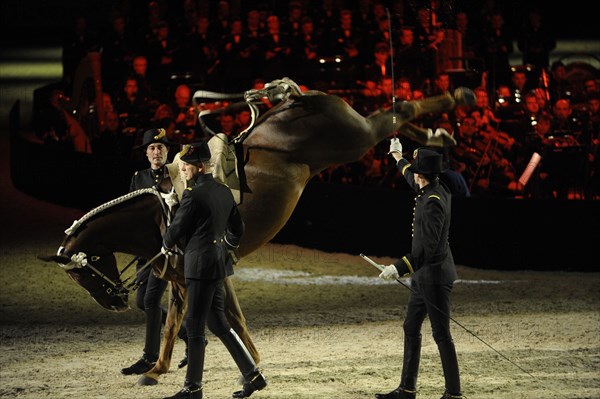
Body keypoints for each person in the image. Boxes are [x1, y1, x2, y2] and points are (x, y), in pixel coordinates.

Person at [161, 141, 267, 399]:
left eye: (186, 165)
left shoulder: (192, 194)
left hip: (199, 266)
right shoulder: (223, 191)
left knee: (195, 328)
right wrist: (224, 246)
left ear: (199, 167)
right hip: (218, 263)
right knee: (219, 323)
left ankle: (193, 388)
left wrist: (165, 245)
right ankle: (253, 376)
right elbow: (237, 228)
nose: (182, 169)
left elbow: (176, 228)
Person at [375, 142, 463, 399]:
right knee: (411, 327)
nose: (412, 173)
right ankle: (407, 388)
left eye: (415, 169)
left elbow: (427, 250)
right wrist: (396, 156)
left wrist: (398, 267)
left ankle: (454, 393)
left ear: (422, 174)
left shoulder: (433, 203)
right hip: (423, 277)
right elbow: (409, 178)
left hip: (435, 277)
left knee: (441, 335)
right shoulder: (435, 188)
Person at [121, 128, 187, 375]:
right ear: (146, 153)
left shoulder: (177, 176)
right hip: (144, 251)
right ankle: (189, 334)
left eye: (161, 147)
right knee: (141, 301)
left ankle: (149, 357)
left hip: (167, 251)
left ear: (168, 151)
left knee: (150, 301)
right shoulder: (138, 178)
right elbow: (130, 213)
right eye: (152, 148)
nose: (156, 152)